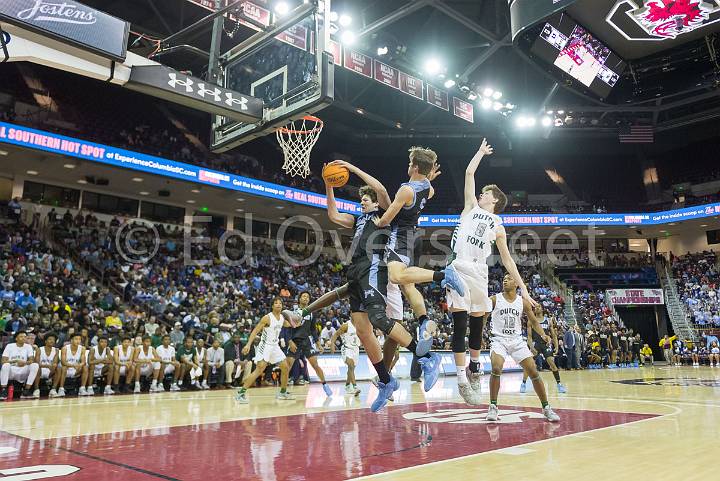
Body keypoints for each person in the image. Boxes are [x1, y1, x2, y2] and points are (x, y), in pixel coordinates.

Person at [321, 180, 441, 412]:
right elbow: (334, 214)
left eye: (366, 198)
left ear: (376, 202)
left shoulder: (386, 214)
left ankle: (426, 357)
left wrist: (353, 170)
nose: (362, 201)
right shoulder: (358, 219)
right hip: (355, 270)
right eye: (360, 199)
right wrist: (329, 186)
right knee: (363, 330)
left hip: (374, 267)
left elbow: (384, 190)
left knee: (378, 318)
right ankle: (386, 380)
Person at [439, 140, 539, 405]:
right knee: (459, 324)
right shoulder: (471, 207)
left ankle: (473, 369)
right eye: (481, 193)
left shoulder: (498, 223)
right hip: (459, 267)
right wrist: (480, 153)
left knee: (476, 326)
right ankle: (461, 379)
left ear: (494, 200)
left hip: (480, 272)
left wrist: (525, 290)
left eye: (485, 194)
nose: (481, 194)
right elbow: (469, 174)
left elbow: (507, 260)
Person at [485, 274, 560, 422]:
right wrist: (478, 336)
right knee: (496, 368)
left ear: (517, 284)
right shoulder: (494, 299)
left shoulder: (523, 302)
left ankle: (546, 407)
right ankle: (493, 407)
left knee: (533, 370)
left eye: (509, 278)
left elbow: (534, 321)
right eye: (504, 278)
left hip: (517, 340)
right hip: (499, 339)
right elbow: (482, 318)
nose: (505, 280)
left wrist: (544, 335)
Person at [235, 297, 294, 403]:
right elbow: (255, 331)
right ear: (272, 306)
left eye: (280, 303)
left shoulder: (281, 318)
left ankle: (283, 392)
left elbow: (292, 324)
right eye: (276, 303)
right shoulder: (267, 318)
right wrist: (248, 344)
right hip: (265, 346)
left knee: (285, 367)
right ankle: (241, 393)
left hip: (275, 346)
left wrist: (299, 317)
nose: (278, 304)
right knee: (259, 369)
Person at [285, 292, 332, 397]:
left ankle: (325, 385)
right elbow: (286, 328)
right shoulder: (293, 311)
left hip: (306, 341)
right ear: (299, 299)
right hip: (294, 341)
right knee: (287, 366)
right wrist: (289, 341)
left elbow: (313, 330)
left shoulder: (311, 313)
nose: (306, 298)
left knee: (315, 364)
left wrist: (318, 344)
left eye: (307, 297)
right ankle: (283, 390)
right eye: (304, 296)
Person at [520, 306, 567, 394]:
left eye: (539, 307)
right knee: (528, 365)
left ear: (542, 309)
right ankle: (523, 383)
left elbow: (553, 335)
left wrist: (556, 346)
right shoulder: (531, 320)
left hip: (545, 345)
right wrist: (531, 347)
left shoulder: (548, 320)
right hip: (535, 344)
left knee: (552, 364)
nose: (537, 308)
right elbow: (529, 337)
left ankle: (559, 384)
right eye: (535, 307)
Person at [0, 331, 40, 399]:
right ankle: (3, 390)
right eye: (21, 336)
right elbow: (3, 361)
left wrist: (24, 363)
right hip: (11, 370)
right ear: (16, 338)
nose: (23, 338)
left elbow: (31, 360)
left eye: (25, 337)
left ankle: (26, 390)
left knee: (35, 365)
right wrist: (15, 361)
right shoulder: (9, 346)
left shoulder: (28, 347)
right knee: (5, 365)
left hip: (23, 370)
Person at [329, 321, 361, 395]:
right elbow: (336, 334)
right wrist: (332, 344)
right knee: (351, 366)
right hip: (346, 348)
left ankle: (347, 385)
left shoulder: (360, 324)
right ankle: (355, 387)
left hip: (356, 349)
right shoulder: (346, 325)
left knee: (351, 369)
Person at [54, 332, 85, 398]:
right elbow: (63, 362)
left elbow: (83, 362)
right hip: (65, 369)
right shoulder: (65, 348)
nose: (78, 341)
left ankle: (82, 388)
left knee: (85, 367)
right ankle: (61, 389)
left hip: (75, 369)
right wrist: (74, 365)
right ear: (71, 340)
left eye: (79, 339)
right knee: (64, 367)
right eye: (76, 339)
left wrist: (80, 365)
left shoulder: (82, 348)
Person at [34, 332, 59, 398]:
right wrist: (47, 366)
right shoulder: (39, 349)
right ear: (45, 341)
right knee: (37, 367)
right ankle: (36, 389)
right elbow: (37, 363)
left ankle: (53, 389)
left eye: (53, 340)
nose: (52, 341)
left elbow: (55, 363)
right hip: (40, 370)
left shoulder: (56, 350)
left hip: (50, 371)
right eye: (50, 339)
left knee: (58, 368)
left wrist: (52, 367)